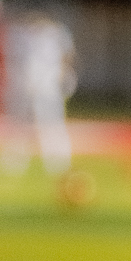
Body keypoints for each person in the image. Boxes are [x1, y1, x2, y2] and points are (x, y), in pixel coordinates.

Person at [2, 10, 76, 181]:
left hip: (46, 87)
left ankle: (58, 162)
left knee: (50, 124)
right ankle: (14, 161)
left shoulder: (54, 34)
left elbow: (67, 57)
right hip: (24, 87)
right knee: (19, 125)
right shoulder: (20, 34)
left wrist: (64, 76)